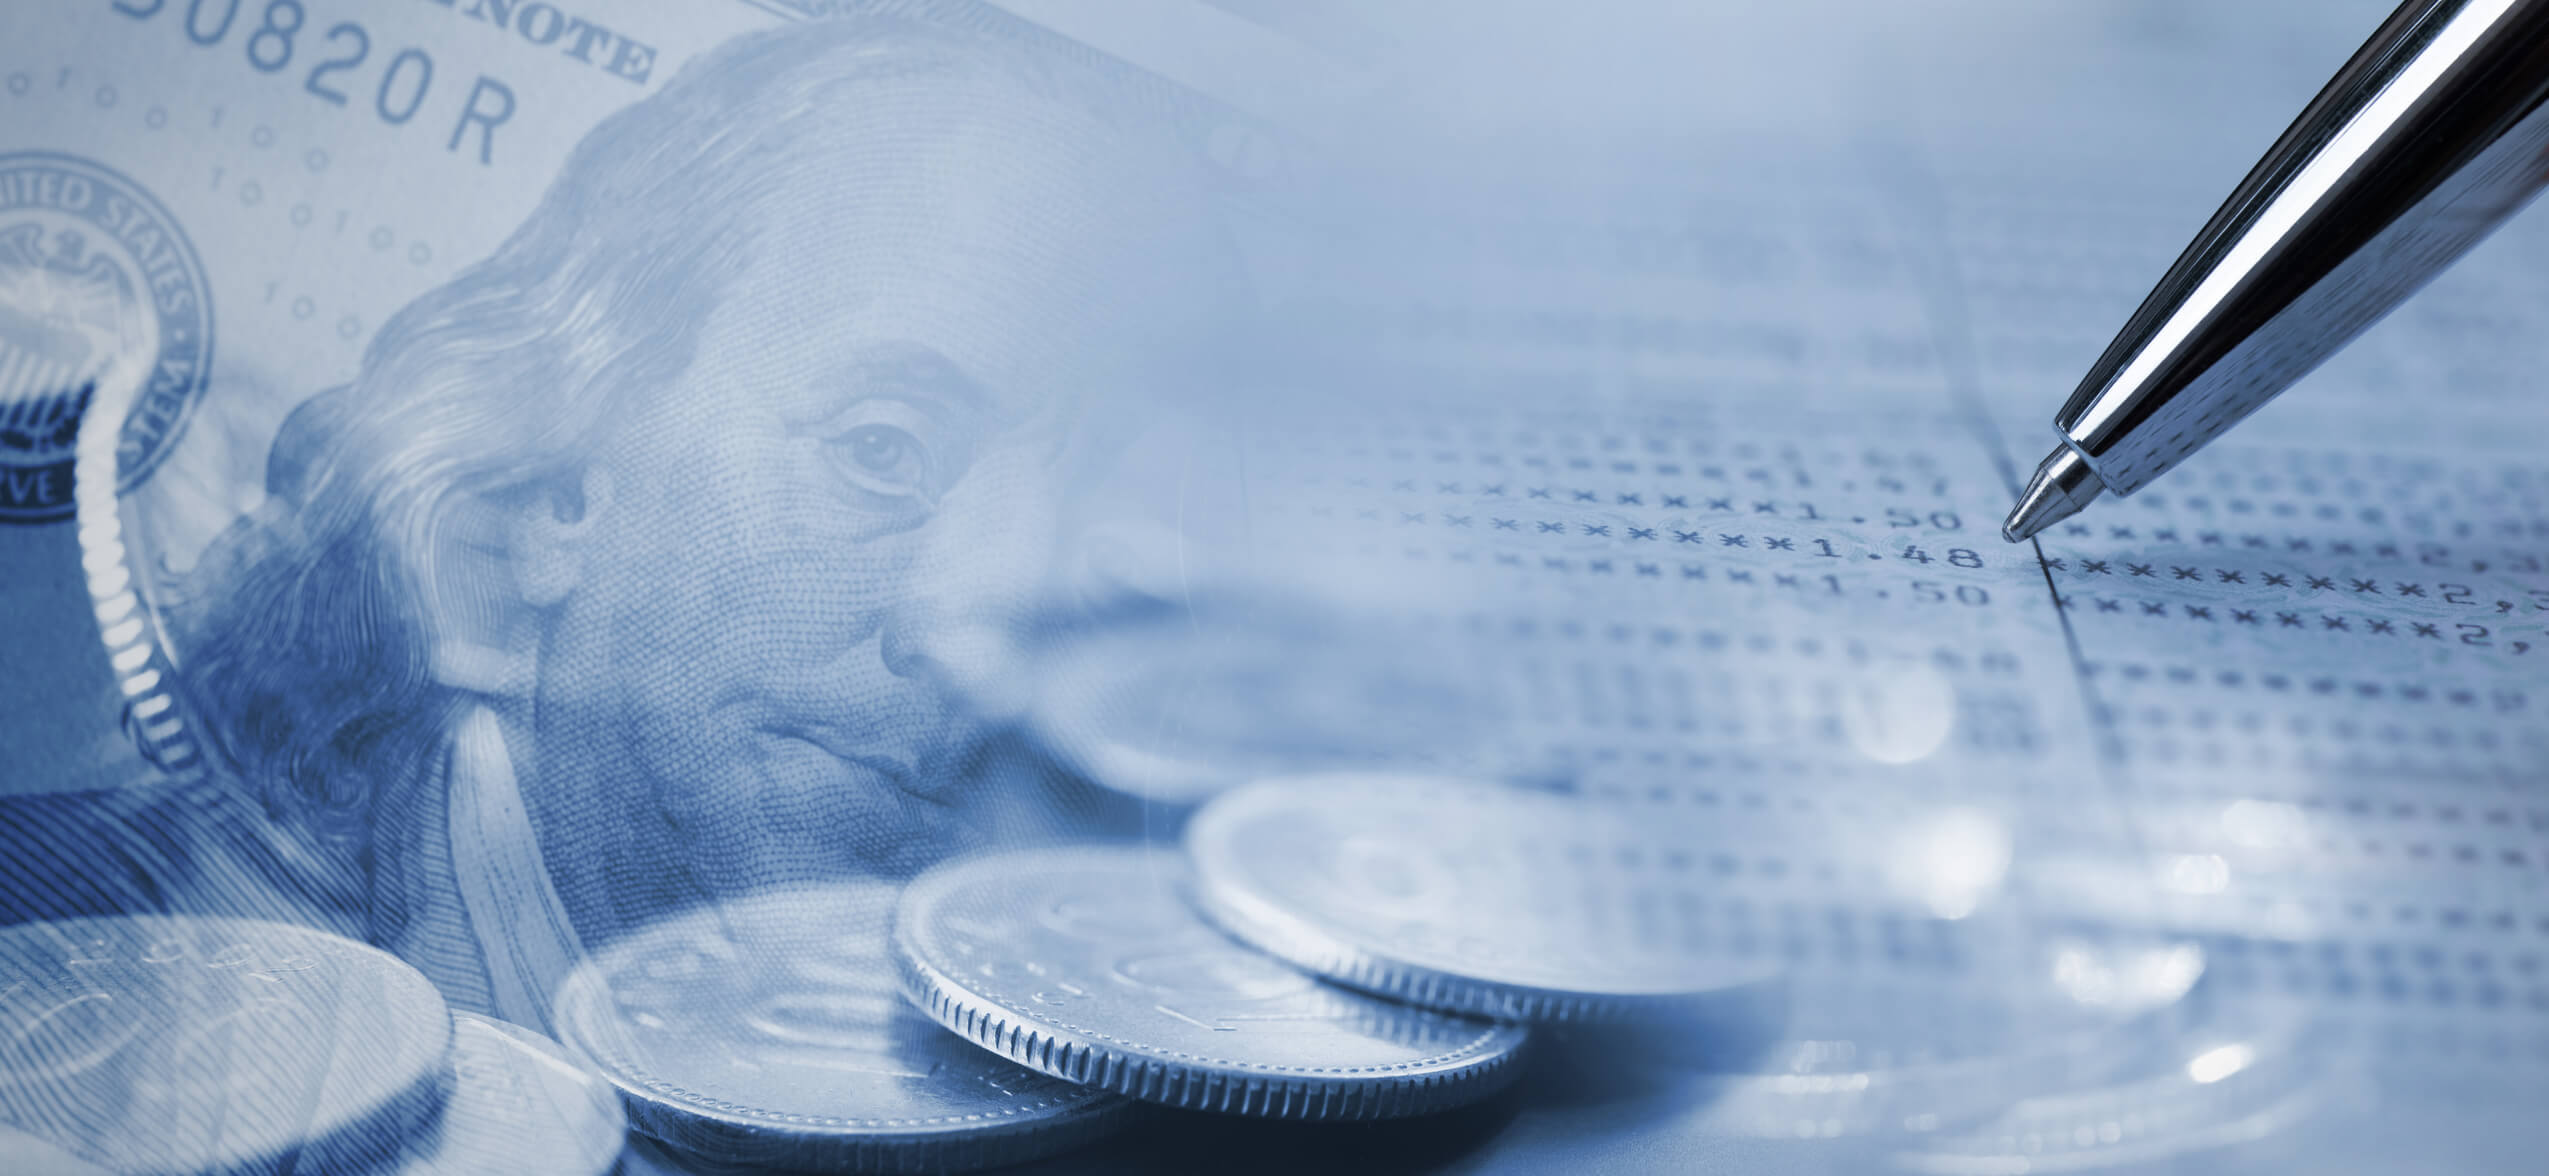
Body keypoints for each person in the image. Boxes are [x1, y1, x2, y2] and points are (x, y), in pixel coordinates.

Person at [173, 11, 1249, 1030]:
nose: (987, 666)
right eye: (881, 451)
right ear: (560, 489)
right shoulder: (107, 965)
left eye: (1111, 555)